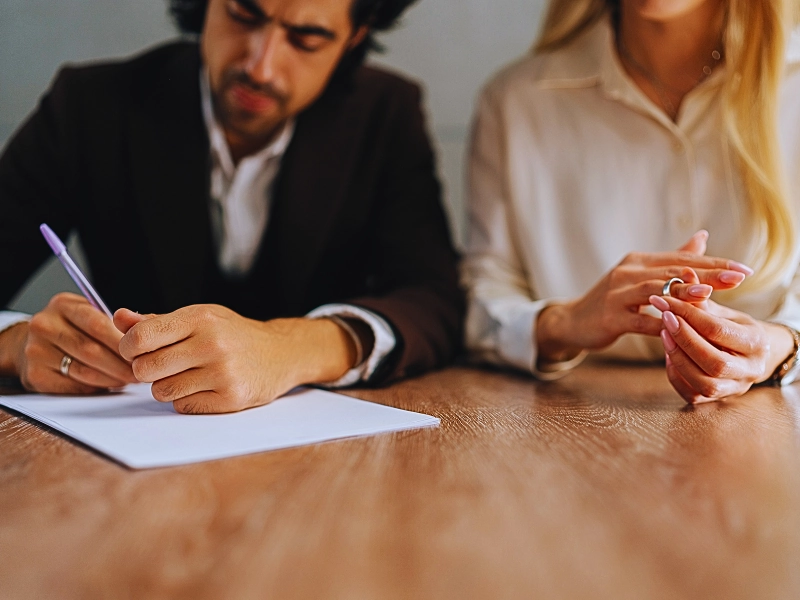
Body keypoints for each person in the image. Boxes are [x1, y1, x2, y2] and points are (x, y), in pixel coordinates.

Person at [0, 0, 464, 413]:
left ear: (354, 36)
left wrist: (291, 347)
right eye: (244, 14)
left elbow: (435, 298)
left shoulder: (386, 113)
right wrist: (13, 344)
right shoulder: (89, 106)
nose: (261, 67)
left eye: (307, 39)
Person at [463, 0, 800, 403]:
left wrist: (778, 347)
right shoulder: (515, 101)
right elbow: (482, 303)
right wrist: (563, 322)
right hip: (569, 419)